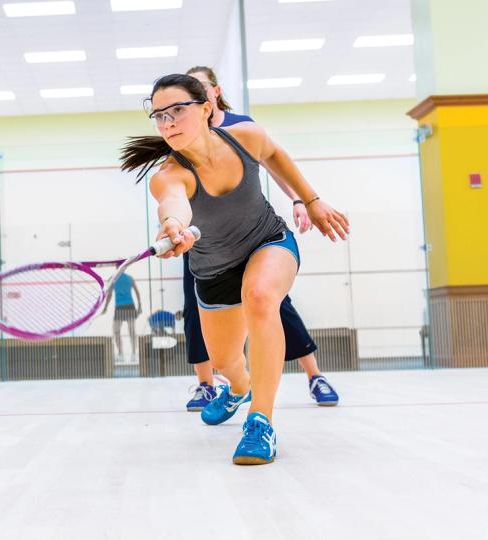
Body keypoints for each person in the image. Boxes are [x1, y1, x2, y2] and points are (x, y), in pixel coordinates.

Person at [120, 74, 349, 465]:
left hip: (268, 241)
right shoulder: (168, 175)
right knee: (226, 364)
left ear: (207, 108)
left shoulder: (245, 136)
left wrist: (310, 200)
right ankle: (238, 389)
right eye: (159, 116)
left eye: (177, 111)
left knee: (261, 297)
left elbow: (274, 154)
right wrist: (173, 225)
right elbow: (173, 202)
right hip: (213, 271)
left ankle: (260, 422)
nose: (167, 123)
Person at [181, 66, 340, 411]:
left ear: (214, 93)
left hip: (254, 237)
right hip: (200, 243)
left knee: (268, 299)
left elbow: (274, 160)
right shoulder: (181, 138)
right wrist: (172, 222)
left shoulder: (241, 127)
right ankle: (211, 384)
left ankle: (313, 376)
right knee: (195, 310)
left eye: (200, 89)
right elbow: (171, 191)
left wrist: (303, 200)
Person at [101, 272, 141, 362]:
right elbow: (110, 294)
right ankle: (121, 354)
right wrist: (105, 307)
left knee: (131, 331)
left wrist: (140, 306)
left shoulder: (128, 277)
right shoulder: (115, 278)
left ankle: (133, 354)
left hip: (128, 306)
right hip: (120, 307)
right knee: (117, 331)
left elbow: (136, 292)